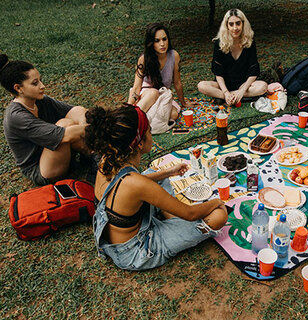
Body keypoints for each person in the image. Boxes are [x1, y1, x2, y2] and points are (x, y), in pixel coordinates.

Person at [85, 105, 228, 270]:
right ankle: (172, 219)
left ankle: (170, 216)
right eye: (149, 131)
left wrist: (167, 172)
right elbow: (190, 214)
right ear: (138, 144)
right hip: (136, 251)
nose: (152, 136)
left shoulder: (108, 158)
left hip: (121, 230)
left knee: (155, 173)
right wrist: (217, 202)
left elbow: (128, 186)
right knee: (218, 216)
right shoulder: (136, 183)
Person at [0, 54, 88, 186]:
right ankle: (93, 155)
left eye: (40, 80)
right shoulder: (17, 117)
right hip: (41, 169)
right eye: (35, 83)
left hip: (54, 153)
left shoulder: (40, 100)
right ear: (18, 88)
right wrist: (97, 127)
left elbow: (77, 110)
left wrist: (85, 121)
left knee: (75, 115)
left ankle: (91, 155)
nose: (42, 86)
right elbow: (65, 136)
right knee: (65, 126)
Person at [197, 8, 267, 106]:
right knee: (202, 86)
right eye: (231, 24)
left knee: (263, 86)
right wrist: (225, 92)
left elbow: (254, 71)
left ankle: (233, 96)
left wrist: (242, 90)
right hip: (223, 85)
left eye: (238, 23)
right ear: (226, 26)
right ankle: (230, 97)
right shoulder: (219, 43)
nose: (235, 28)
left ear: (243, 24)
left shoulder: (249, 42)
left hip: (244, 84)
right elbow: (218, 73)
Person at [127, 23, 193, 120]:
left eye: (164, 39)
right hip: (147, 94)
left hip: (162, 95)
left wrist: (183, 102)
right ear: (151, 43)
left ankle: (144, 119)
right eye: (157, 41)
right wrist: (128, 108)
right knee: (153, 93)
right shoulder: (144, 59)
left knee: (173, 115)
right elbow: (136, 87)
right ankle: (132, 118)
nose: (162, 44)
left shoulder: (174, 55)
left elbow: (177, 82)